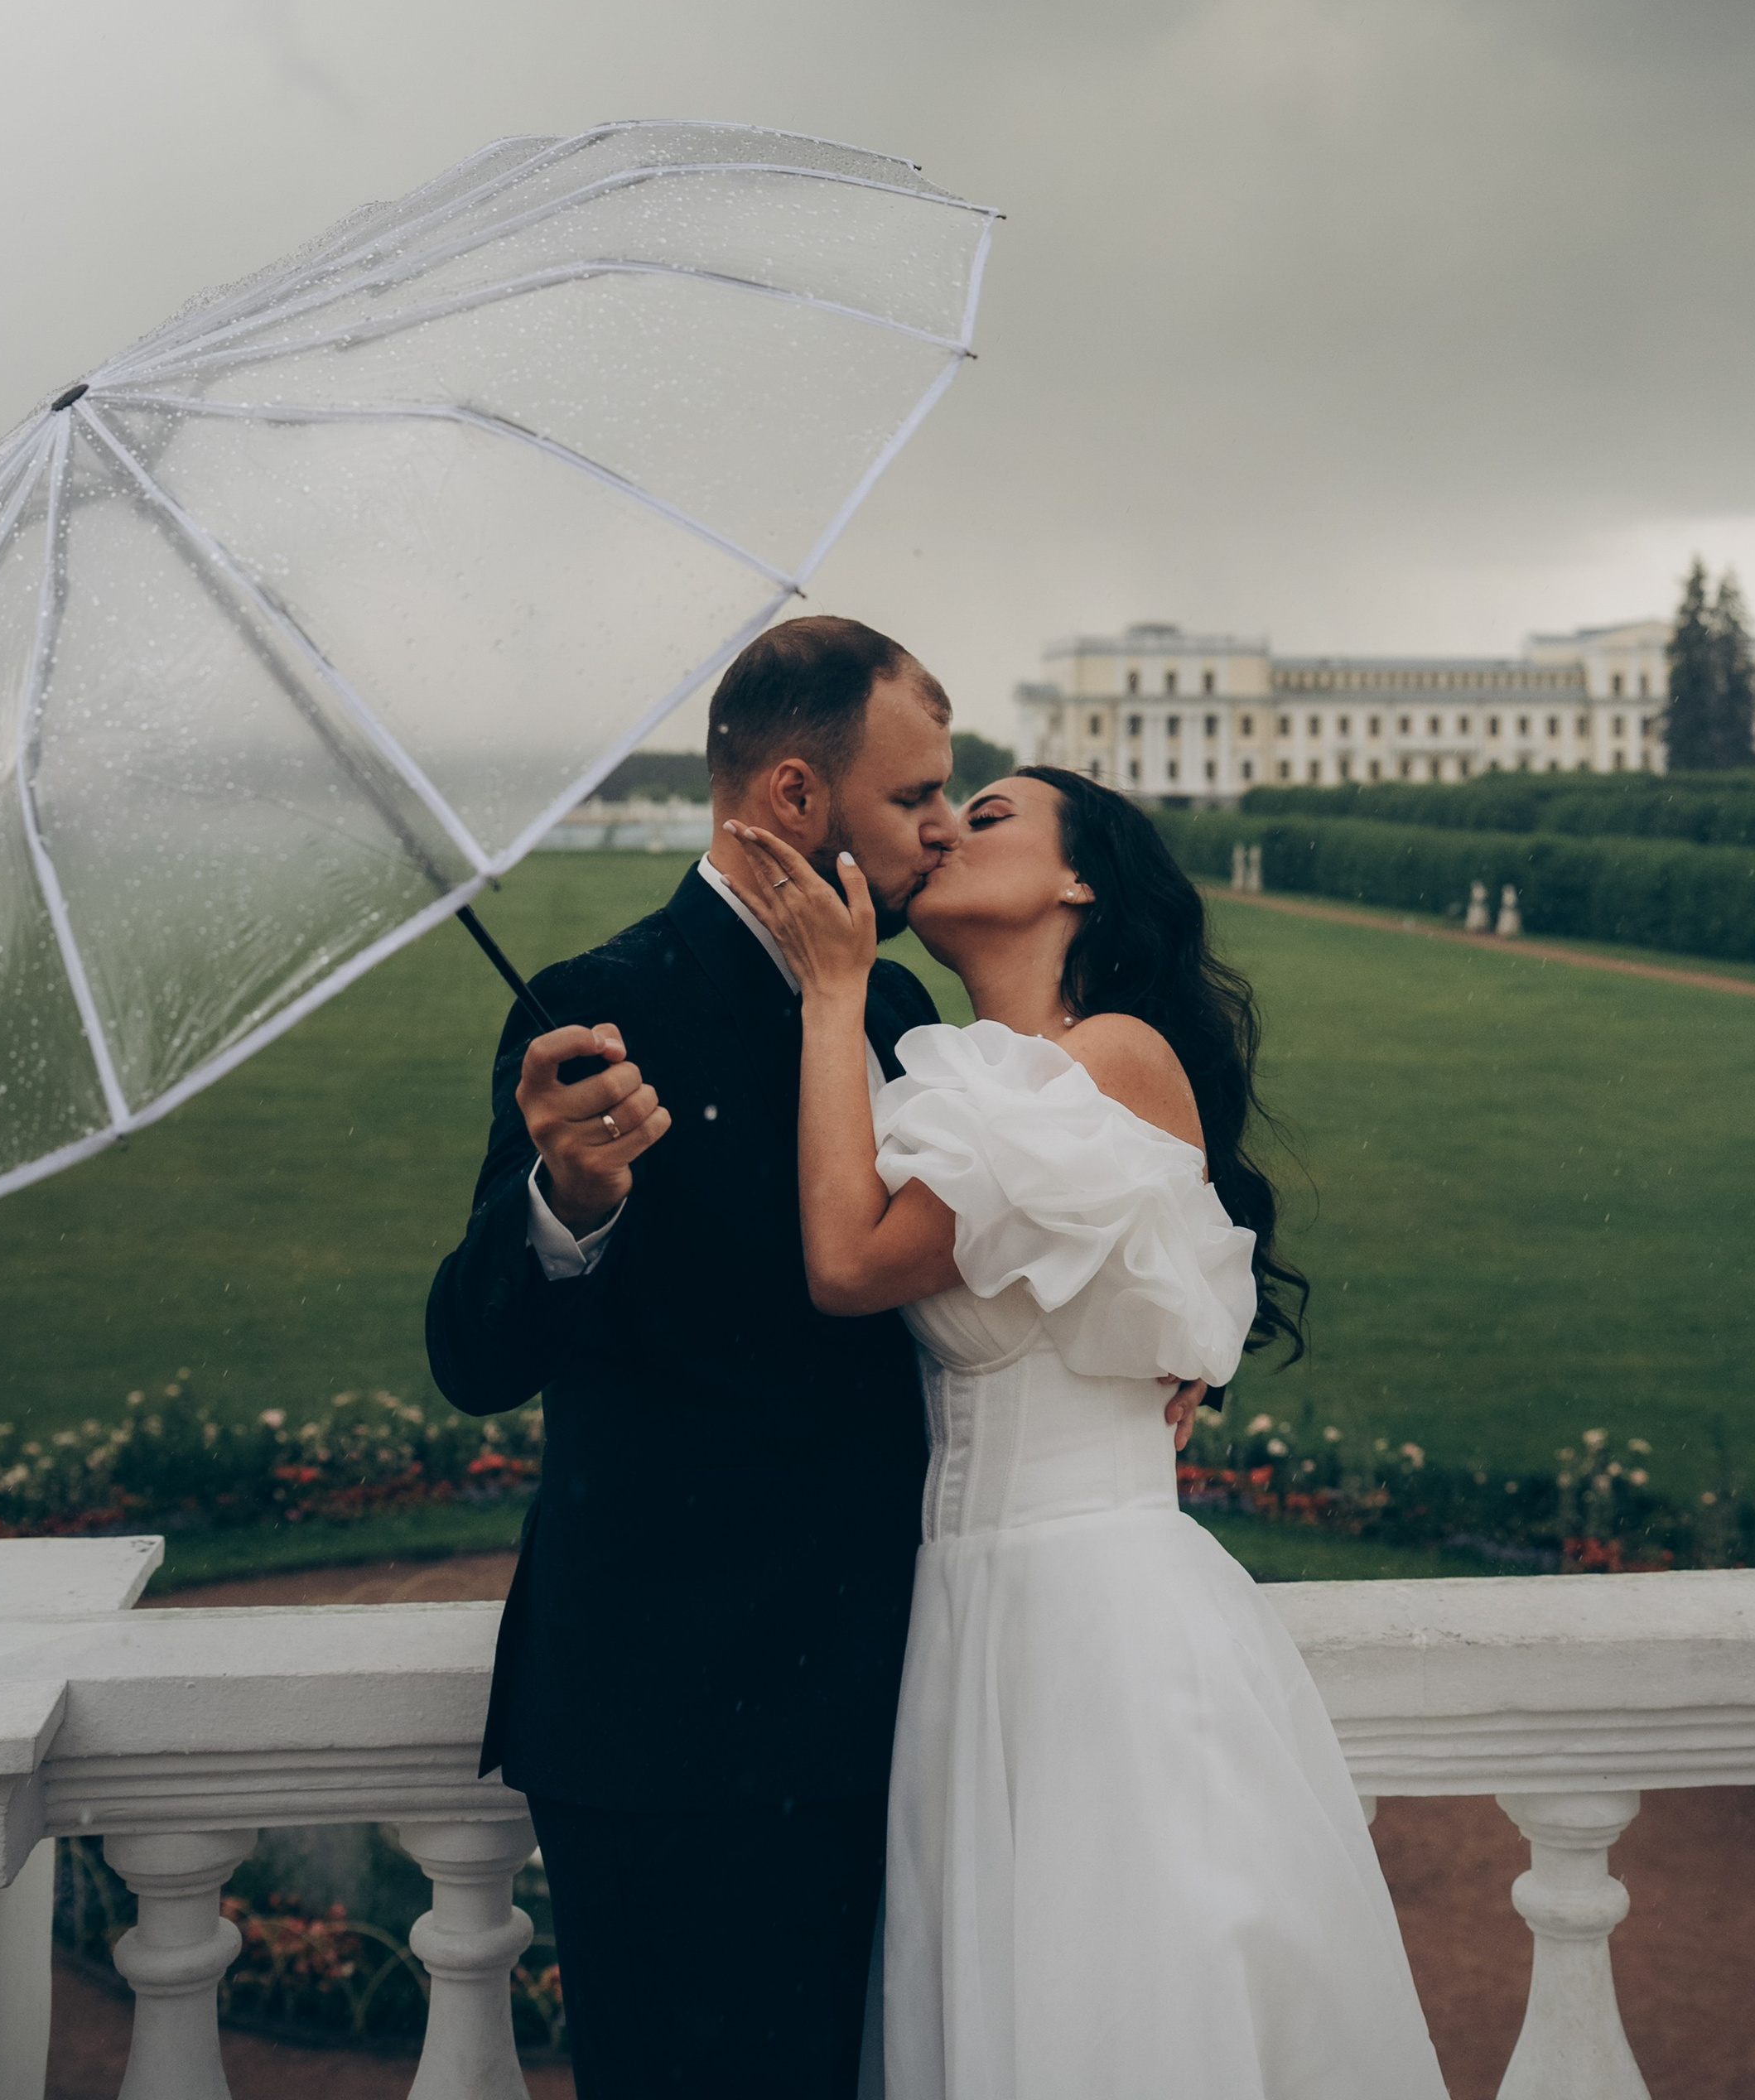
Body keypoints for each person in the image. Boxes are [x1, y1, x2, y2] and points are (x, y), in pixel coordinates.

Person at [425, 619, 1198, 2100]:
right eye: (916, 797)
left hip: (889, 1708)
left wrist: (1157, 1344)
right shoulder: (600, 1009)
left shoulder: (903, 1012)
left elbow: (1078, 1197)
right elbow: (473, 1357)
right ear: (793, 798)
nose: (936, 831)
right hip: (660, 1723)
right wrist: (562, 1207)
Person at [720, 766, 1451, 2100]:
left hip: (1096, 1629)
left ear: (1081, 882)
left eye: (988, 815)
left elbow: (848, 1260)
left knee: (1117, 2018)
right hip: (965, 1625)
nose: (944, 829)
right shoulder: (960, 1079)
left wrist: (830, 992)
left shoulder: (1112, 1054)